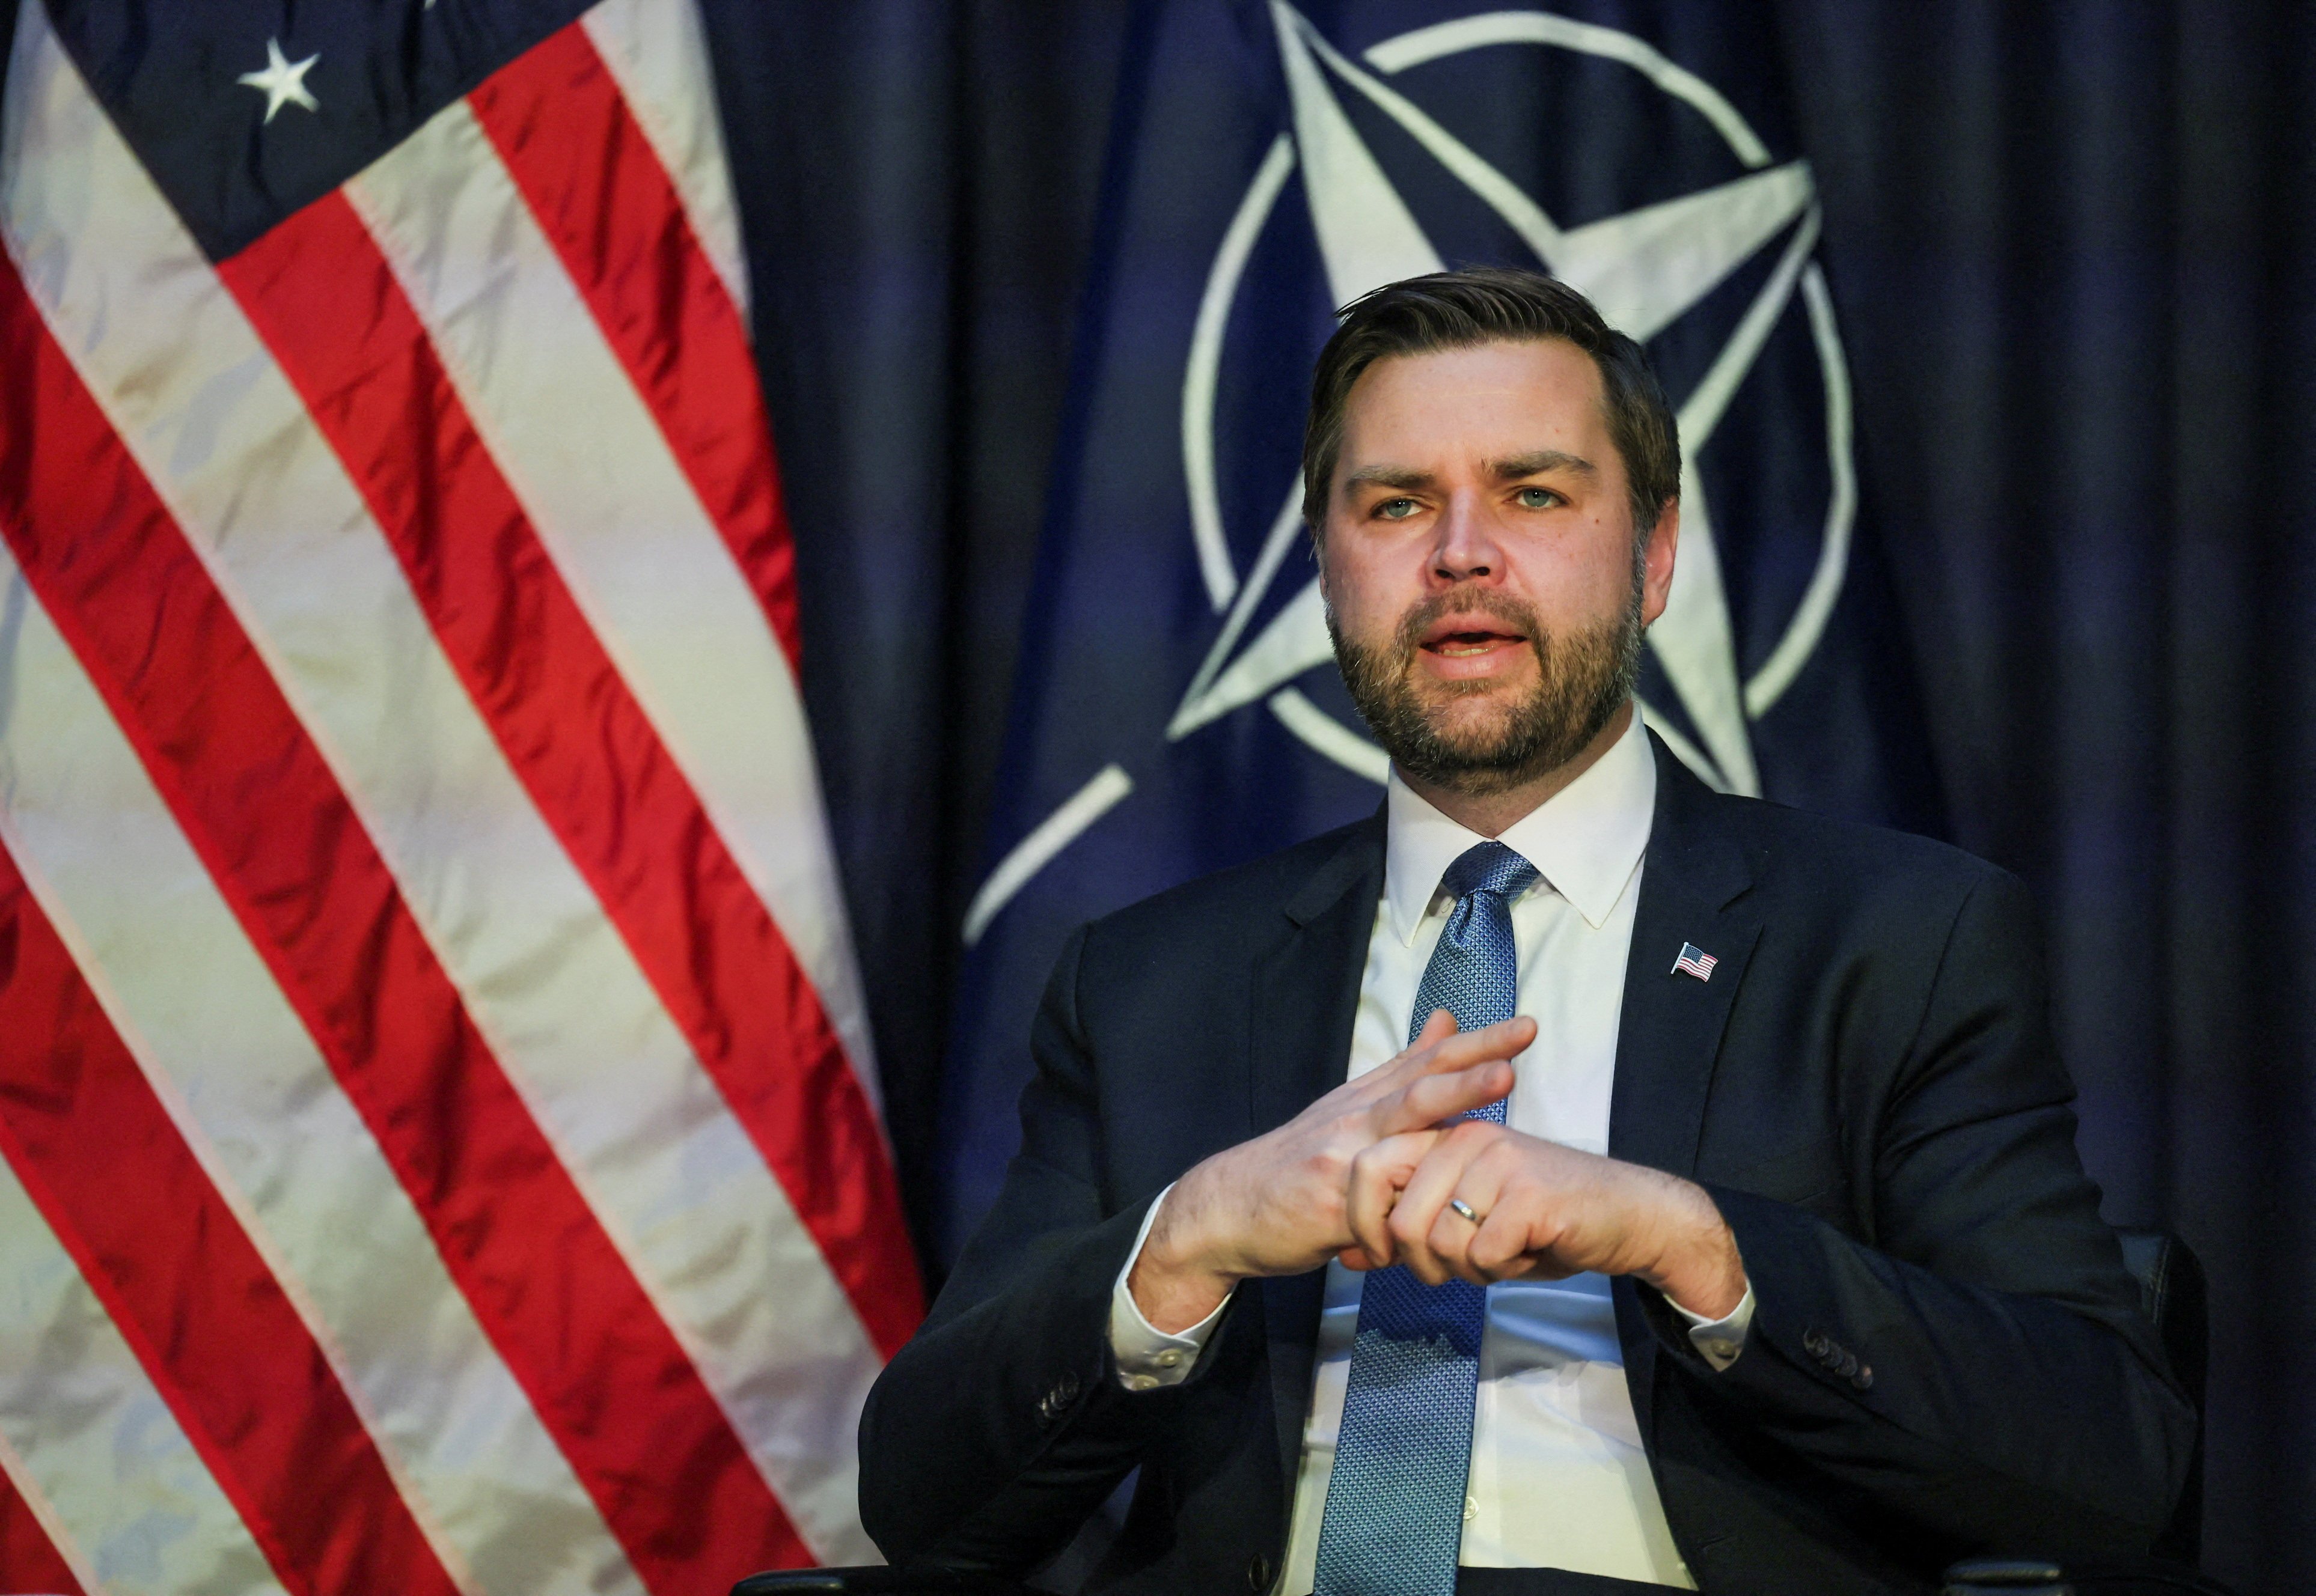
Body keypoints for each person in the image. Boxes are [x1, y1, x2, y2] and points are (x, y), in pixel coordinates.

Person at [858, 268, 2195, 1595]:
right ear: (1326, 569)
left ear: (1654, 554)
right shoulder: (1149, 983)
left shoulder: (1897, 941)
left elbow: (2106, 1457)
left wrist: (1692, 1244)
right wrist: (1188, 1237)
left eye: (1533, 492)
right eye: (1393, 504)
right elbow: (922, 1498)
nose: (1458, 553)